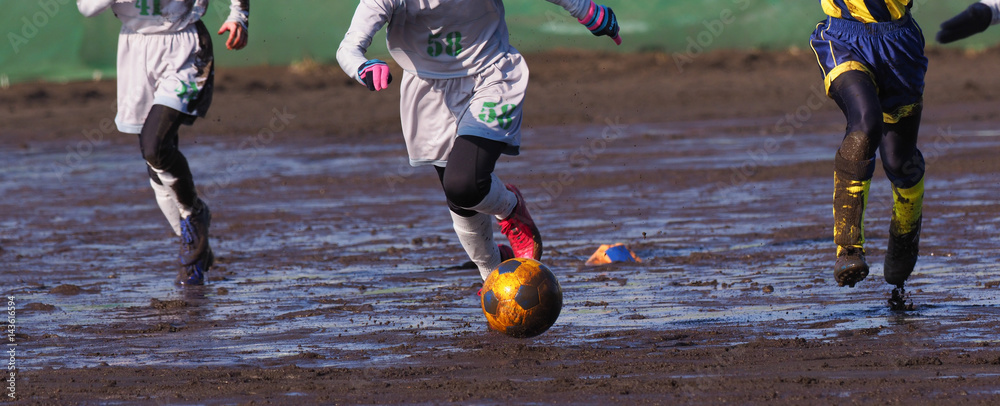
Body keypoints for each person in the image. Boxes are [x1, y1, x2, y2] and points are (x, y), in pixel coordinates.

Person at [336, 0, 621, 285]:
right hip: (428, 88)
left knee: (464, 183)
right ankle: (493, 279)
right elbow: (348, 48)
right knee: (459, 195)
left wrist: (587, 11)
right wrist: (363, 66)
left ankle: (510, 208)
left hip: (491, 75)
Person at [76, 0, 250, 285]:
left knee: (154, 146)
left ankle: (194, 215)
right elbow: (87, 8)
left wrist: (238, 15)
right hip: (135, 48)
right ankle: (194, 243)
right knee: (154, 161)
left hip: (184, 46)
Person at [808, 1, 927, 293]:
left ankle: (905, 235)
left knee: (899, 161)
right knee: (865, 124)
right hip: (843, 38)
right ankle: (848, 248)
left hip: (899, 46)